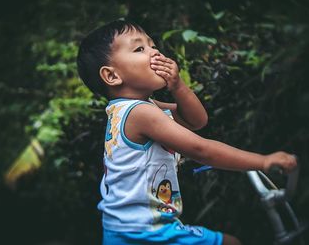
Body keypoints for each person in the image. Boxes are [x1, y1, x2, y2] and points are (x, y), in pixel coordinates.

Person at [76, 19, 297, 245]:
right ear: (112, 76)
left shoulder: (137, 109)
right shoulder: (139, 113)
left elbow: (195, 120)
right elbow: (201, 148)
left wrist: (178, 86)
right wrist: (263, 161)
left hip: (124, 229)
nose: (154, 52)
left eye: (153, 45)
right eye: (140, 49)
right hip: (144, 231)